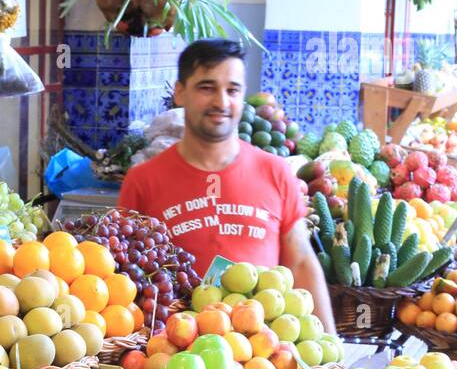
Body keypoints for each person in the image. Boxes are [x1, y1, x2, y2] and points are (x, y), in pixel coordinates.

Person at [119, 38, 335, 332]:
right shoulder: (143, 180)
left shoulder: (276, 172)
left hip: (264, 356)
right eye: (207, 88)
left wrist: (332, 348)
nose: (221, 102)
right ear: (180, 93)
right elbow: (124, 275)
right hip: (173, 358)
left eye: (232, 90)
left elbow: (300, 263)